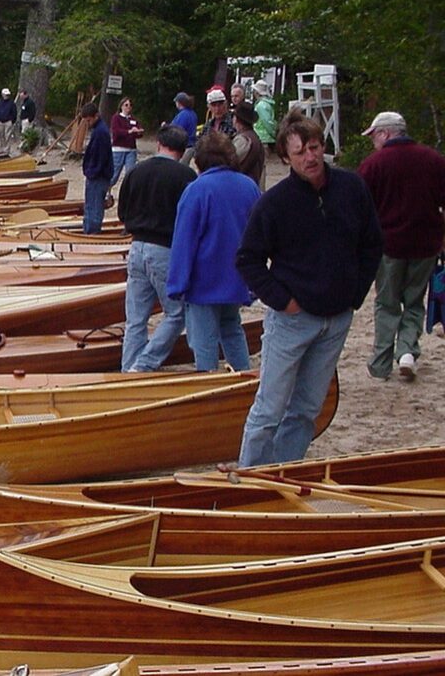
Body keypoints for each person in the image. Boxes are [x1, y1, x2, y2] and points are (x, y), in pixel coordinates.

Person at [235, 109, 382, 467]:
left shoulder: (351, 187)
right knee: (269, 407)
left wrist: (355, 295)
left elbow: (372, 243)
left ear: (322, 146)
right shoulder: (275, 203)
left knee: (306, 408)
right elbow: (248, 259)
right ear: (286, 157)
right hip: (292, 318)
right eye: (299, 152)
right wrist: (283, 301)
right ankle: (250, 476)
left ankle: (283, 469)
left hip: (337, 317)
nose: (310, 157)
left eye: (314, 147)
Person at [358, 111, 445, 381]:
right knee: (415, 301)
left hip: (389, 245)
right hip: (426, 244)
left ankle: (381, 363)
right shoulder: (433, 160)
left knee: (387, 303)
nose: (373, 141)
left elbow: (359, 208)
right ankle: (407, 352)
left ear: (385, 133)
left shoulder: (373, 165)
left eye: (374, 136)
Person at [168, 131, 261, 371]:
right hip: (237, 276)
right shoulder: (249, 187)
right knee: (232, 330)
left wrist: (177, 283)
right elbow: (259, 235)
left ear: (200, 160)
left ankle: (208, 385)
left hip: (204, 281)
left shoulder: (197, 190)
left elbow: (184, 240)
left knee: (204, 341)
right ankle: (245, 379)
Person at [117, 124, 197, 372]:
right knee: (176, 313)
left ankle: (128, 368)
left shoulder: (136, 171)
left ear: (158, 144)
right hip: (166, 248)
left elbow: (122, 213)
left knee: (135, 319)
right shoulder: (187, 177)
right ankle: (143, 365)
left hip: (136, 245)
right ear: (182, 150)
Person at [80, 102, 114, 235]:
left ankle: (92, 233)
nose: (87, 123)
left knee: (94, 208)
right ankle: (88, 231)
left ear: (96, 116)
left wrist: (92, 172)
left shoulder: (101, 133)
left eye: (88, 120)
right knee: (90, 206)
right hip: (95, 175)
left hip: (98, 176)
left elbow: (100, 156)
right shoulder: (99, 130)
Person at [109, 96, 144, 192]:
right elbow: (116, 132)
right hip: (118, 149)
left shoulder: (133, 119)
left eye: (130, 105)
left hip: (131, 150)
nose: (128, 107)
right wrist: (129, 131)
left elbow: (137, 133)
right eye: (126, 105)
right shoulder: (116, 118)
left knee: (130, 173)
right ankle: (107, 190)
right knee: (115, 174)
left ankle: (128, 192)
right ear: (121, 106)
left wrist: (139, 132)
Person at [231, 102, 265, 187]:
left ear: (236, 119)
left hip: (242, 186)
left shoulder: (243, 140)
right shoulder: (254, 137)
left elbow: (230, 163)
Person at [169, 92, 198, 165]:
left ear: (179, 103)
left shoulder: (183, 115)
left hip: (184, 146)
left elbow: (177, 130)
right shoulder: (193, 113)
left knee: (178, 168)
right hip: (191, 145)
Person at [252, 80, 276, 151]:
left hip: (263, 137)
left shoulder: (261, 105)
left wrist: (273, 134)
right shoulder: (267, 103)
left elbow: (267, 121)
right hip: (265, 137)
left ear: (257, 92)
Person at [0, 88, 17, 153]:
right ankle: (1, 149)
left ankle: (7, 150)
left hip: (8, 121)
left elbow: (14, 112)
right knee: (1, 136)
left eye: (7, 95)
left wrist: (12, 121)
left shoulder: (12, 103)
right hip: (0, 121)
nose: (6, 96)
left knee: (8, 136)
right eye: (5, 94)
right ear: (2, 94)